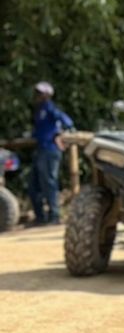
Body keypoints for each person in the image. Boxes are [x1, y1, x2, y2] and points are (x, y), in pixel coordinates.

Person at [30, 82, 74, 226]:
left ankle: (54, 216)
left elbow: (67, 121)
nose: (37, 95)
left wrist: (62, 134)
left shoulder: (50, 108)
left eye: (40, 93)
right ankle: (40, 217)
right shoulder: (39, 110)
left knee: (49, 182)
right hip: (41, 149)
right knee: (34, 184)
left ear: (47, 95)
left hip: (50, 149)